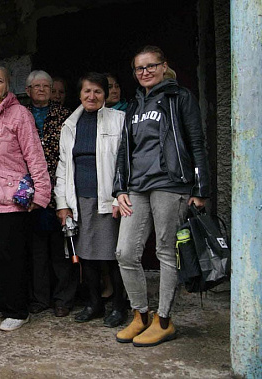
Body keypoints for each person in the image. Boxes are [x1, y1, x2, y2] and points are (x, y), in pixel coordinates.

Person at [113, 46, 210, 347]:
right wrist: (120, 189)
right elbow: (124, 151)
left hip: (171, 184)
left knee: (166, 251)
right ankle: (140, 314)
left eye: (150, 66)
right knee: (125, 252)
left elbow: (196, 143)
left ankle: (164, 320)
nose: (145, 72)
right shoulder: (133, 106)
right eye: (139, 68)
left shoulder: (180, 98)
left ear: (164, 66)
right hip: (137, 187)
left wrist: (200, 190)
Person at [0, 65, 52, 331]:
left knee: (11, 257)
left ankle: (18, 309)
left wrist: (41, 194)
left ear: (8, 85)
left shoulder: (20, 114)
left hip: (11, 200)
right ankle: (0, 303)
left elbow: (34, 156)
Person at [54, 72, 127, 328]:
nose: (92, 96)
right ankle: (94, 304)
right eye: (87, 91)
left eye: (97, 91)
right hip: (80, 200)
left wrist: (121, 194)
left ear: (106, 95)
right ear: (80, 94)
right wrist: (62, 203)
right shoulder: (69, 125)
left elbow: (125, 162)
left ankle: (120, 306)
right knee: (86, 256)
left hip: (110, 199)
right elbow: (64, 166)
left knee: (115, 256)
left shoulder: (119, 120)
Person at [24, 70, 76, 318]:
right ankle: (39, 298)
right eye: (37, 86)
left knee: (61, 248)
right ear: (28, 90)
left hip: (61, 188)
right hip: (28, 191)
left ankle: (63, 298)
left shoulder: (65, 115)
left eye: (47, 85)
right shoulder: (21, 115)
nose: (42, 89)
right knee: (36, 249)